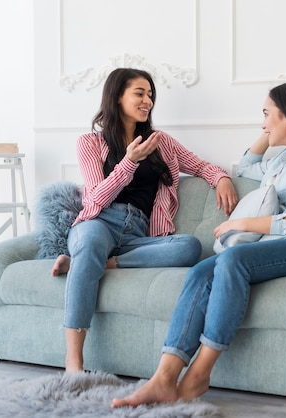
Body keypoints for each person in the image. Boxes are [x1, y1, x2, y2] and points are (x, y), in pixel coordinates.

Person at [112, 81, 286, 408]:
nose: (262, 122)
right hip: (276, 243)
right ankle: (163, 378)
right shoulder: (281, 162)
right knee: (202, 271)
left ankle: (200, 372)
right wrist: (273, 131)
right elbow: (245, 165)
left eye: (266, 114)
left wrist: (241, 223)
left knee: (233, 260)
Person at [60, 68, 238, 373]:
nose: (148, 101)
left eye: (151, 95)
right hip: (99, 223)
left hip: (139, 233)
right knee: (89, 242)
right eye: (139, 94)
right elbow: (95, 199)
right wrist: (129, 162)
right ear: (117, 97)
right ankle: (74, 360)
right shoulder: (89, 143)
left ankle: (98, 262)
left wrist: (220, 177)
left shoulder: (160, 142)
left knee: (189, 247)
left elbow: (200, 165)